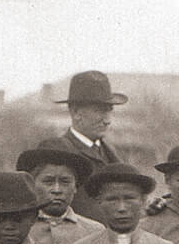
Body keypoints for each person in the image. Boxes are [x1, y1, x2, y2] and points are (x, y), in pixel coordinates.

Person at [51, 70, 126, 218]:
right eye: (99, 111)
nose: (107, 120)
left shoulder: (113, 153)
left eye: (109, 111)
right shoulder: (59, 152)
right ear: (76, 112)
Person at [16, 143, 104, 244]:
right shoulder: (19, 228)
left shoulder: (94, 231)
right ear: (32, 185)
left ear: (76, 187)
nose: (57, 190)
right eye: (48, 181)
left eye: (65, 182)